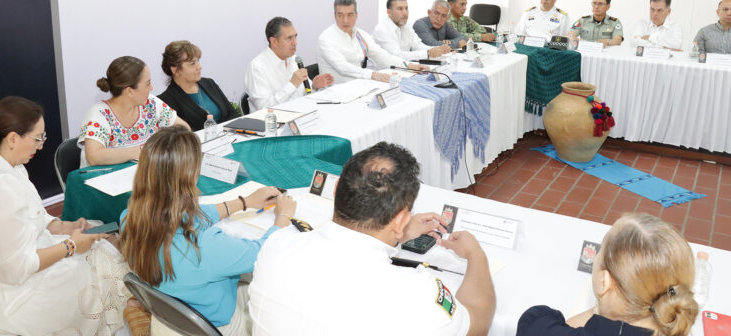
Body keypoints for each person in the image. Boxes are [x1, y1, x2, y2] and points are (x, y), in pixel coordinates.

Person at [249, 142, 496, 336]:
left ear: (335, 191)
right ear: (400, 220)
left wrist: (396, 234)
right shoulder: (418, 293)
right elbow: (476, 324)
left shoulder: (277, 245)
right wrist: (476, 256)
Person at [0, 96, 130, 335]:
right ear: (13, 138)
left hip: (18, 268)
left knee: (102, 241)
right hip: (4, 297)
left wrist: (65, 226)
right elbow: (15, 269)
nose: (41, 145)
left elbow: (34, 217)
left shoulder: (6, 164)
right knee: (107, 264)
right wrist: (71, 245)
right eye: (38, 138)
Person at [121, 126, 296, 334]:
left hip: (167, 320)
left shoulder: (130, 218)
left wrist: (244, 201)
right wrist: (283, 216)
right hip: (218, 326)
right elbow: (263, 253)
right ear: (189, 176)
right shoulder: (203, 245)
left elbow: (190, 215)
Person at [517, 213, 698, 336]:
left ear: (604, 282)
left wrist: (604, 306)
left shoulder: (537, 325)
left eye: (599, 252)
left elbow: (546, 321)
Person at [80, 55, 187, 166]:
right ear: (130, 91)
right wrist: (138, 151)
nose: (151, 88)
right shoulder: (99, 114)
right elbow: (94, 157)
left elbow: (183, 128)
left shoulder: (151, 103)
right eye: (147, 83)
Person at [317, 0, 424, 84]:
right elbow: (342, 67)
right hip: (335, 94)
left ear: (356, 15)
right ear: (335, 15)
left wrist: (409, 65)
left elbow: (382, 56)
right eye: (340, 15)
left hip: (360, 86)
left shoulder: (361, 35)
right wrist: (373, 74)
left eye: (350, 15)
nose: (345, 20)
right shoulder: (326, 38)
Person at [245, 17, 334, 112]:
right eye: (289, 38)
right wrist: (292, 84)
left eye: (295, 37)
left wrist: (314, 87)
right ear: (274, 41)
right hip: (272, 123)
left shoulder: (294, 59)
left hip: (299, 114)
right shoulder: (257, 67)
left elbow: (304, 94)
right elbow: (264, 109)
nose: (295, 42)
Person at [159, 40, 238, 131]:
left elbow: (232, 113)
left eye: (198, 61)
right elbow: (183, 136)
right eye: (192, 63)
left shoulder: (209, 83)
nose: (200, 67)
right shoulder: (166, 101)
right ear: (175, 70)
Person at [373, 0, 451, 60]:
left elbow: (417, 45)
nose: (405, 13)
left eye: (406, 8)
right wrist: (427, 53)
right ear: (389, 12)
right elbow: (396, 56)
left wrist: (439, 49)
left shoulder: (406, 26)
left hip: (401, 69)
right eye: (400, 9)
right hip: (382, 73)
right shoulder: (382, 30)